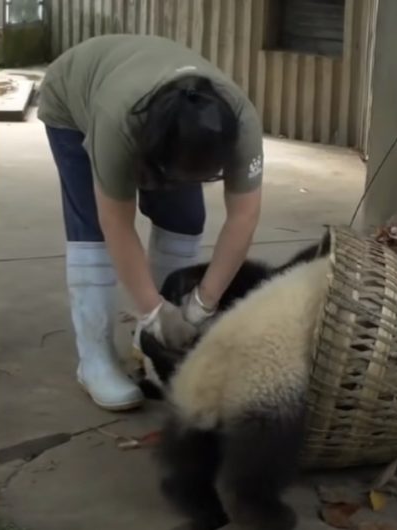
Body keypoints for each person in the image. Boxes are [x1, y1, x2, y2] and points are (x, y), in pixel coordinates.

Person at [37, 34, 264, 411]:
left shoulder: (242, 122)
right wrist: (153, 310)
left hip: (145, 93)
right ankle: (94, 360)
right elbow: (116, 225)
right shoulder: (116, 122)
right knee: (91, 229)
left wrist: (203, 304)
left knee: (185, 218)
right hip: (75, 96)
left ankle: (152, 342)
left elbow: (245, 216)